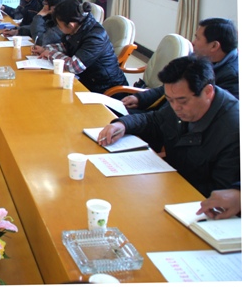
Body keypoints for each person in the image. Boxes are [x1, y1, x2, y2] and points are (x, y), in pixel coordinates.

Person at [99, 55, 240, 197]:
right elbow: (154, 119)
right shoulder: (180, 100)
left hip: (189, 199)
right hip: (166, 183)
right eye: (170, 100)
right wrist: (123, 124)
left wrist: (168, 184)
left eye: (182, 101)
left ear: (208, 92)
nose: (176, 107)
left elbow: (219, 192)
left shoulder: (233, 131)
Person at [122, 17, 239, 112]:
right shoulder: (199, 58)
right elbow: (170, 87)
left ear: (214, 46)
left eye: (198, 39)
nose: (193, 43)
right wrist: (139, 98)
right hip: (161, 115)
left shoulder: (232, 78)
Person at [33, 0, 128, 93]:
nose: (58, 27)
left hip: (105, 88)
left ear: (71, 25)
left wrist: (50, 54)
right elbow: (66, 46)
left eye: (59, 25)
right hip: (86, 81)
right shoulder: (78, 28)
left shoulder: (95, 37)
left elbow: (74, 66)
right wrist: (44, 49)